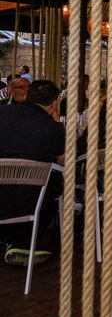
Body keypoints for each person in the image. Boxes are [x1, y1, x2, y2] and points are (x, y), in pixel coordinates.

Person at [0, 79, 65, 265]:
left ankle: (9, 237)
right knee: (55, 182)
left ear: (27, 95)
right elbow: (62, 162)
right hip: (30, 203)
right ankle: (23, 243)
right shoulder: (52, 128)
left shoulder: (2, 112)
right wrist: (56, 121)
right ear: (53, 103)